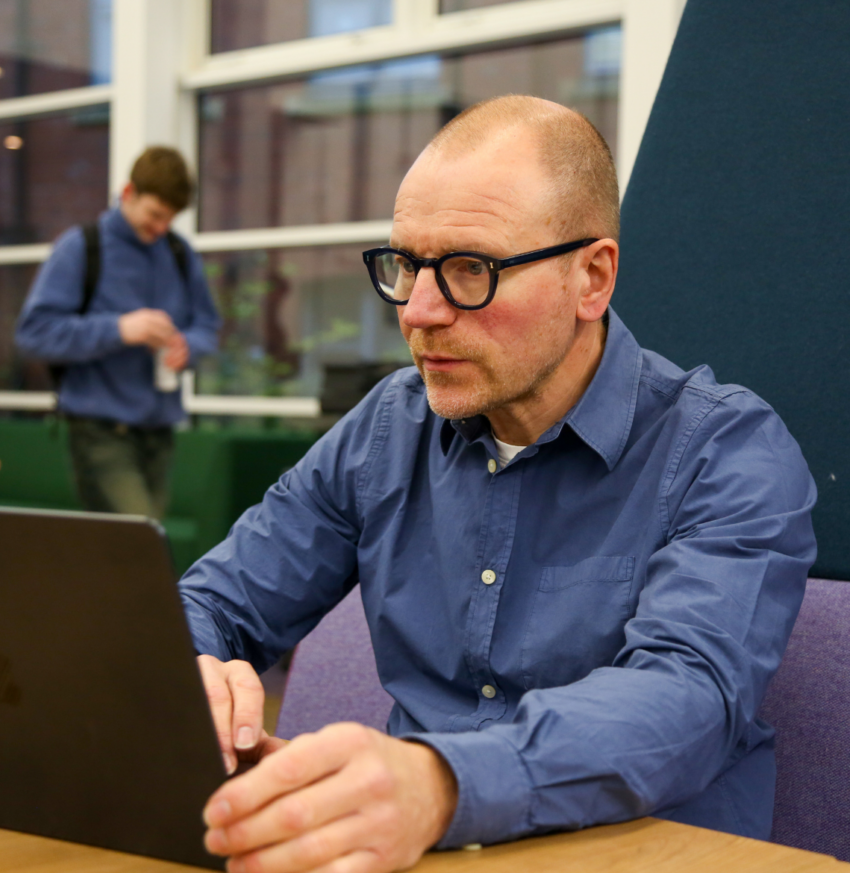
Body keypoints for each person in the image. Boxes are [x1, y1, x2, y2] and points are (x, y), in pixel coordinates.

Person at [179, 95, 817, 873]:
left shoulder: (728, 451)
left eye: (469, 269)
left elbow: (687, 700)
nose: (418, 311)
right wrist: (195, 671)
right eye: (406, 266)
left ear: (592, 277)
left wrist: (440, 784)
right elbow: (213, 601)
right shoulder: (389, 427)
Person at [15, 146, 220, 519]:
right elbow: (34, 334)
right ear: (128, 194)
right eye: (154, 214)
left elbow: (208, 328)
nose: (160, 228)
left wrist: (188, 347)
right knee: (141, 540)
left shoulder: (179, 253)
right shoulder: (80, 248)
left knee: (133, 551)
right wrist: (120, 329)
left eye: (169, 220)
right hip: (100, 432)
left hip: (159, 433)